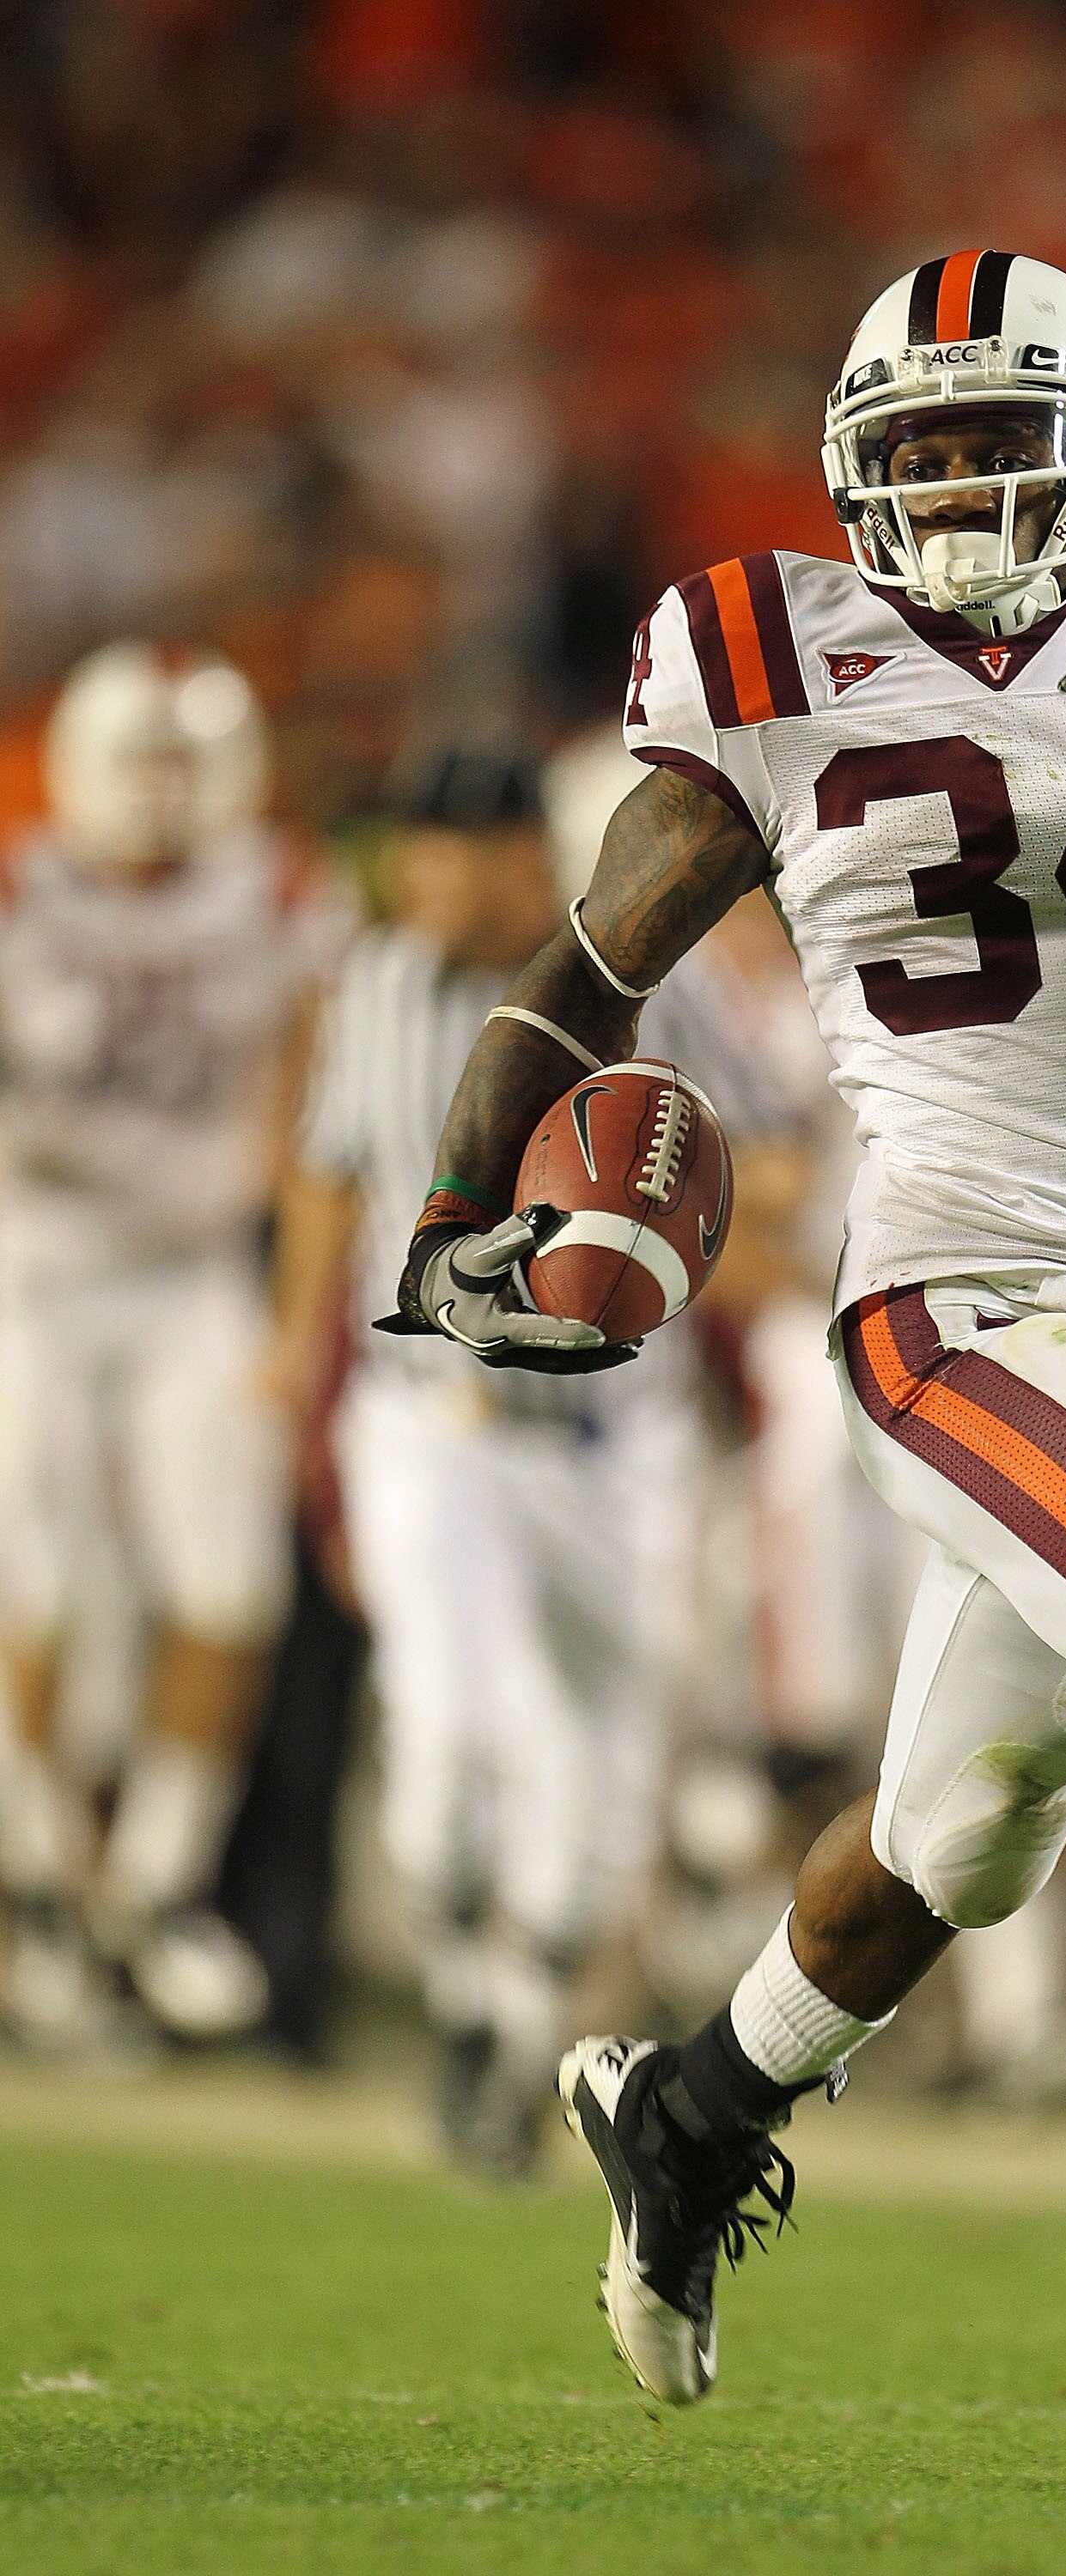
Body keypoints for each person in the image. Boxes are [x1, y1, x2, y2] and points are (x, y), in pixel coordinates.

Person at [387, 253, 1066, 2421]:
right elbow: (587, 971)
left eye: (1000, 446)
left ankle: (687, 2118)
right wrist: (447, 1211)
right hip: (958, 1295)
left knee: (946, 1845)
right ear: (859, 473)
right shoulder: (770, 654)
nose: (963, 490)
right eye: (926, 453)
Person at [274, 742, 712, 2175]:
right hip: (433, 1422)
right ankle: (475, 2014)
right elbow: (333, 1186)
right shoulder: (375, 987)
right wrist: (303, 1389)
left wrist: (708, 1245)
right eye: (427, 845)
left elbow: (762, 1158)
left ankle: (513, 2030)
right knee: (453, 1742)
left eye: (475, 845)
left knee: (602, 1773)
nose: (442, 875)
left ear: (537, 859)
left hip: (614, 1440)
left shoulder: (656, 983)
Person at [0, 644, 348, 2045]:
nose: (156, 792)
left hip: (194, 1273)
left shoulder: (275, 893)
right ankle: (39, 1880)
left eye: (176, 762)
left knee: (230, 1586)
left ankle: (145, 1884)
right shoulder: (20, 893)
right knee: (44, 1589)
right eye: (134, 761)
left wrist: (295, 1317)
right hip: (34, 1267)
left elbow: (314, 1114)